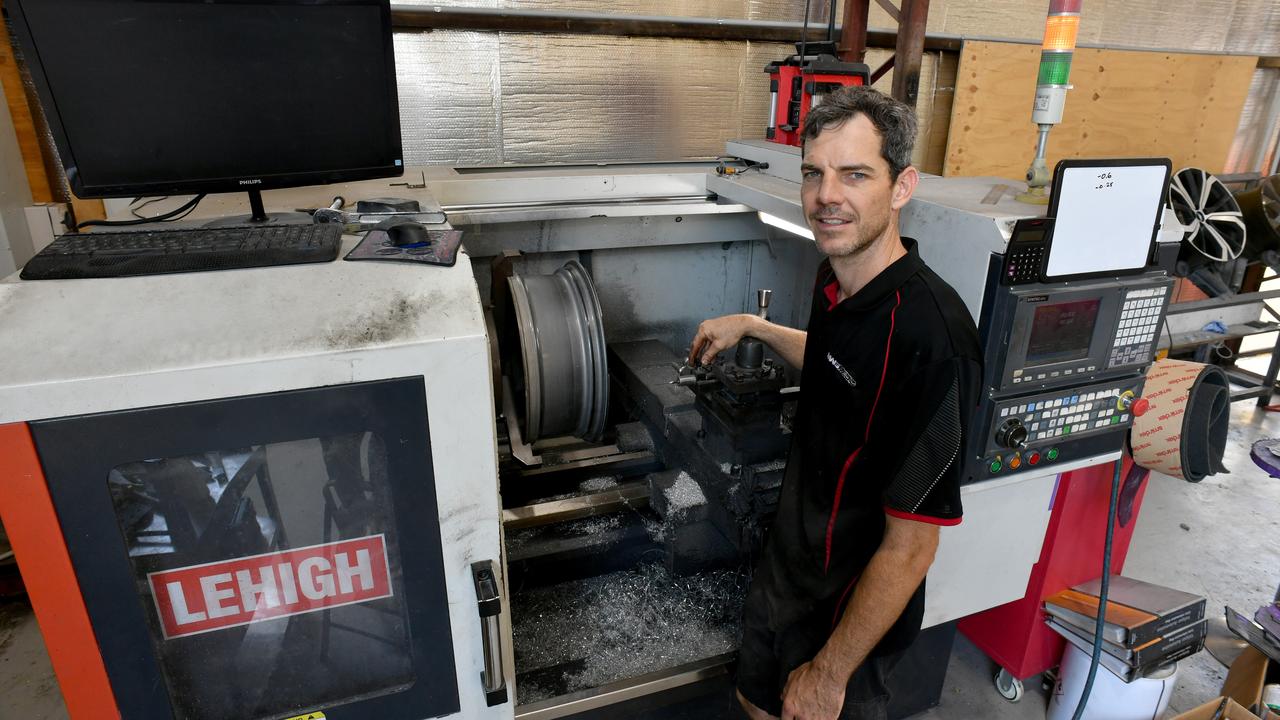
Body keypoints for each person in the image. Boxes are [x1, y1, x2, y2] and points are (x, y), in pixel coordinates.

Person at [688, 86, 982, 720]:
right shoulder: (837, 278)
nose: (827, 197)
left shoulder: (934, 341)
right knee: (754, 700)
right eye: (815, 175)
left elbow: (912, 547)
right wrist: (755, 325)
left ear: (902, 187)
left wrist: (829, 672)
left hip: (847, 615)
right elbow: (833, 357)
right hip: (789, 569)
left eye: (855, 174)